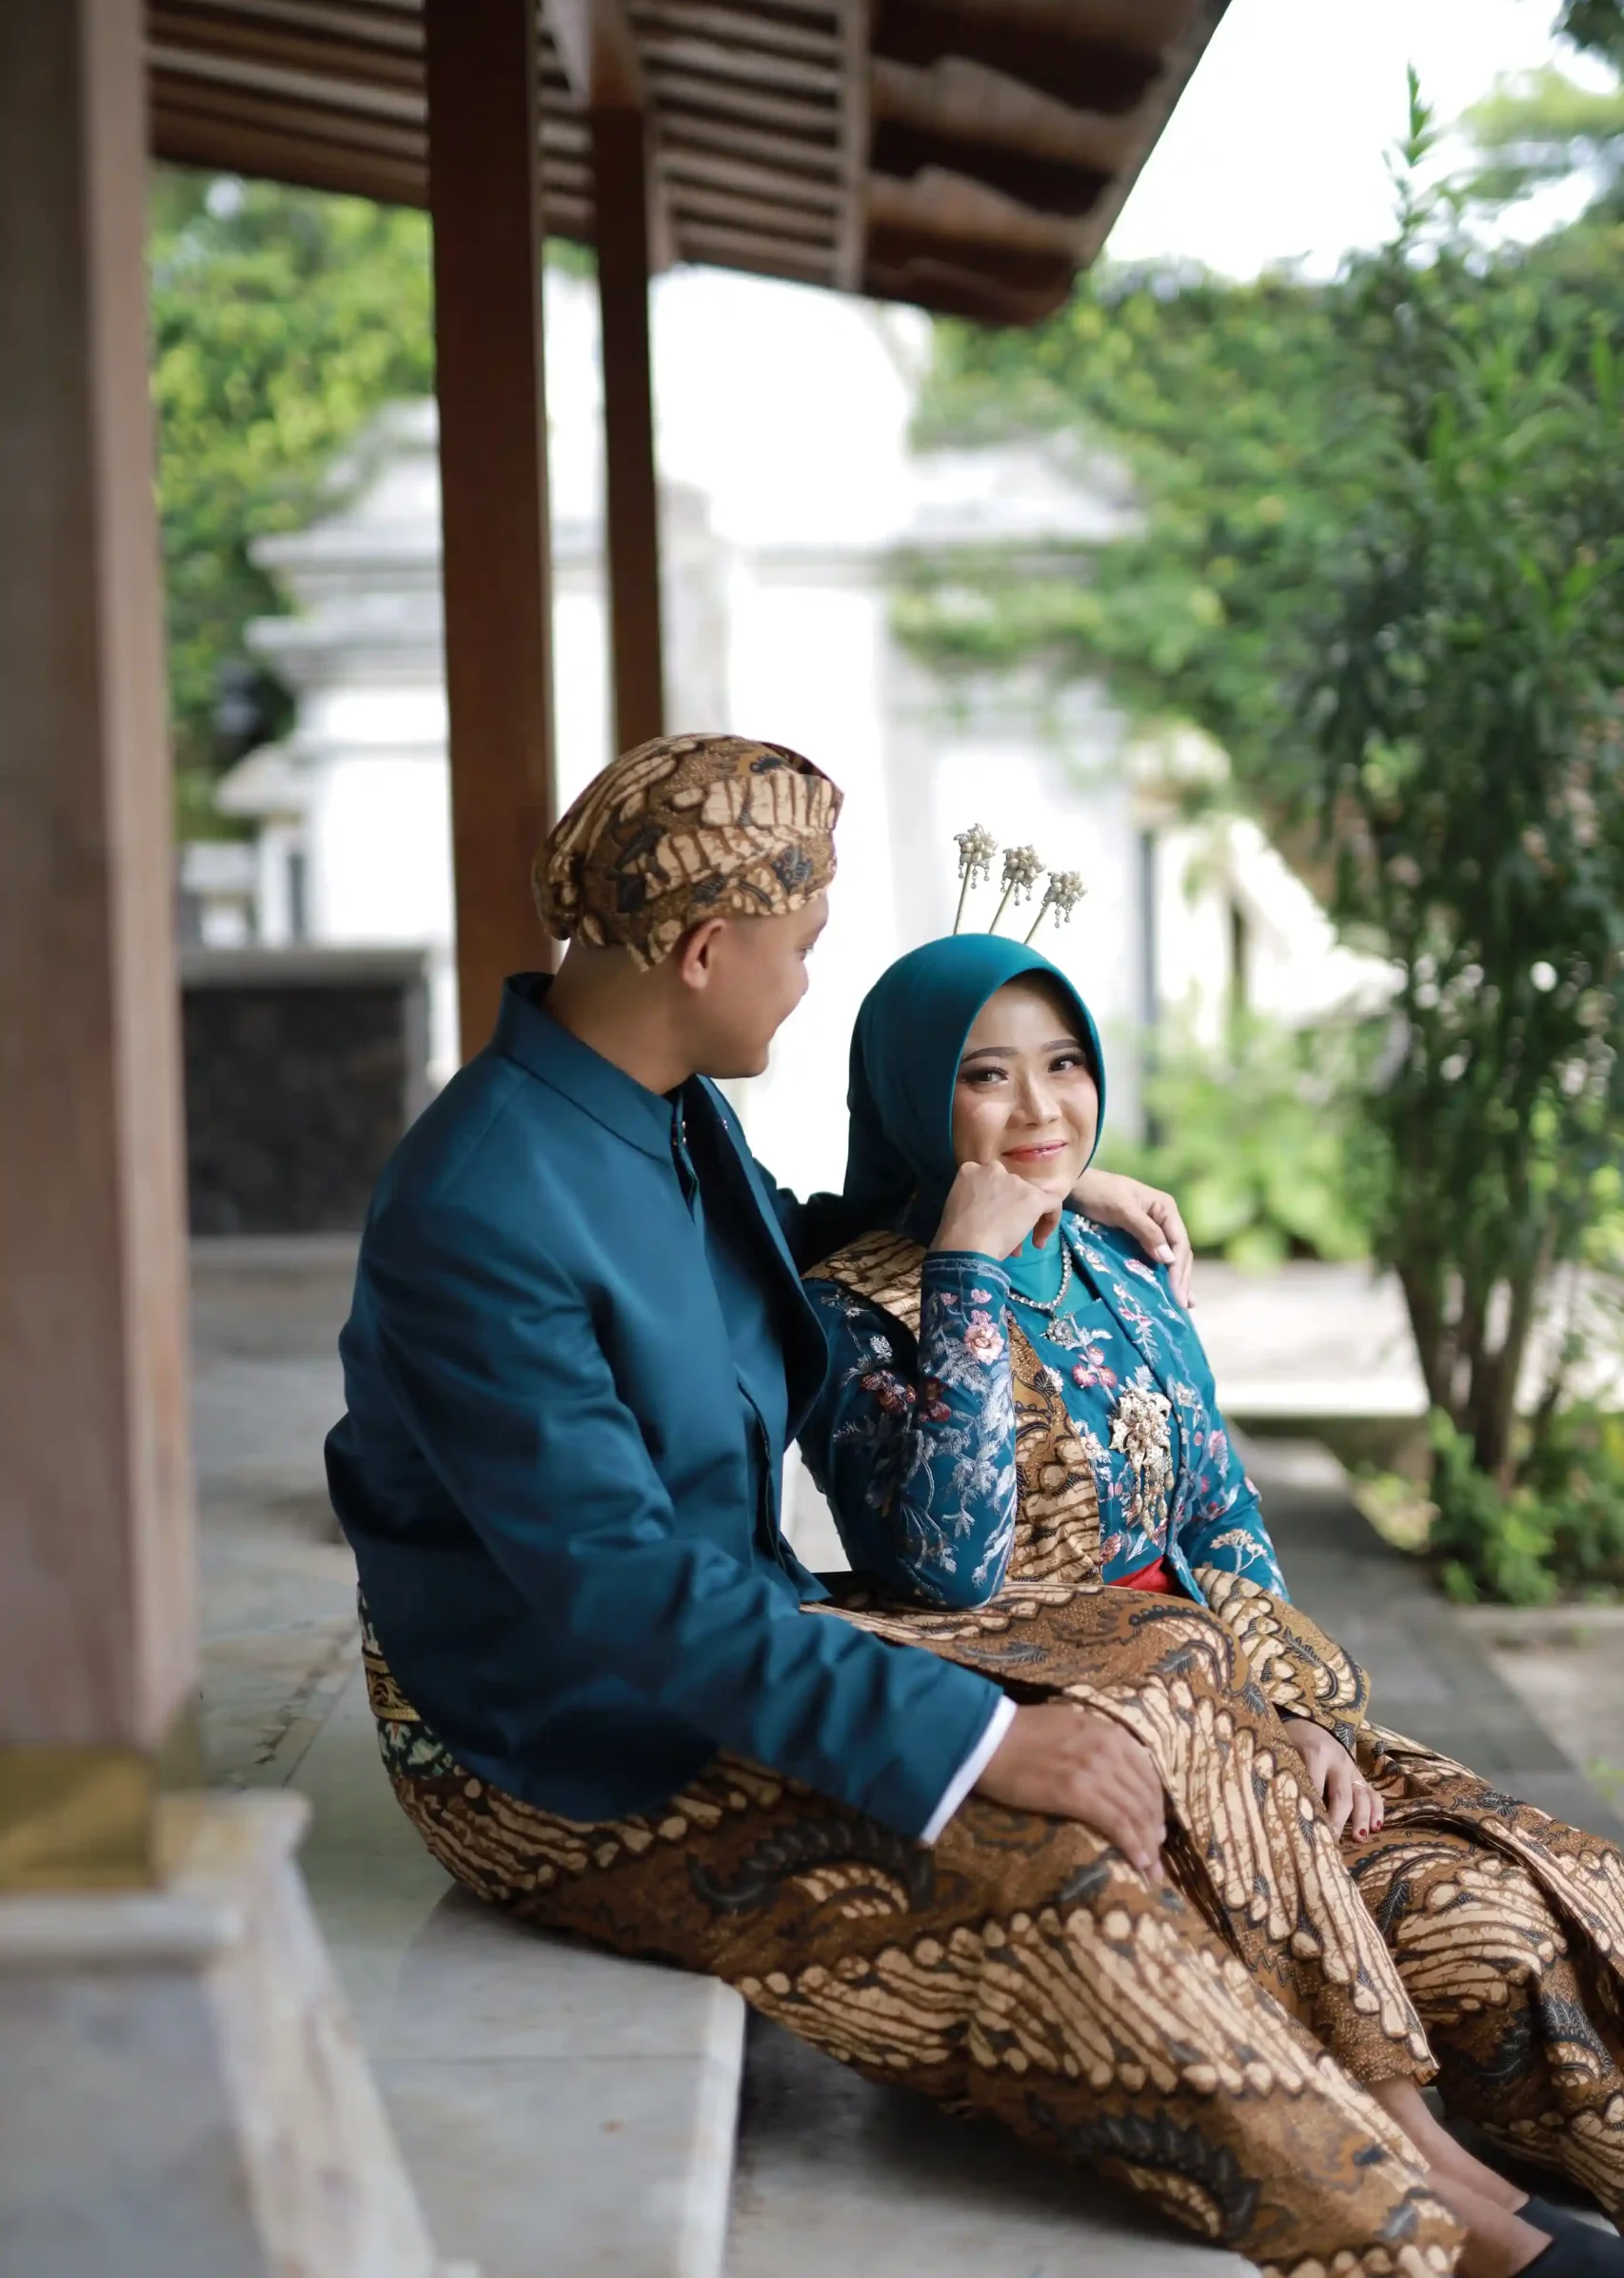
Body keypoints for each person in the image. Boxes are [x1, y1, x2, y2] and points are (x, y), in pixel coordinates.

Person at [329, 734, 1566, 2278]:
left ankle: (1437, 2154)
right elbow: (619, 1588)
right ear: (705, 950)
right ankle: (1422, 2236)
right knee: (1050, 1867)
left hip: (713, 1634)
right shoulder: (482, 1204)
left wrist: (1029, 1183)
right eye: (800, 946)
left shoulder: (649, 1105)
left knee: (1165, 1661)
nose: (804, 983)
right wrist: (980, 1738)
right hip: (550, 1736)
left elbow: (761, 1250)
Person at [799, 928, 1624, 2268]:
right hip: (1078, 1736)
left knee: (1503, 1919)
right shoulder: (855, 1312)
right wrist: (965, 1272)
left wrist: (1296, 1712)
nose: (1040, 1106)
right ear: (909, 1099)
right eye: (984, 1077)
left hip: (1231, 1702)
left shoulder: (1120, 1270)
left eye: (1065, 1065)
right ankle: (1446, 2188)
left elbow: (1220, 1517)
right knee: (1389, 1940)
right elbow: (949, 1567)